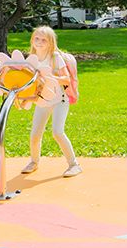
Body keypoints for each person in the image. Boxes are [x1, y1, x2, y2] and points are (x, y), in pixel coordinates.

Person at [20, 26, 82, 177]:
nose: (39, 42)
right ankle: (34, 162)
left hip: (59, 100)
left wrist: (49, 78)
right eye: (37, 39)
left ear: (50, 43)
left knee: (57, 132)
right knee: (35, 135)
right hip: (42, 101)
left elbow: (66, 78)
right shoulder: (31, 60)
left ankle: (74, 165)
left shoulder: (55, 57)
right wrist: (25, 98)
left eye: (44, 40)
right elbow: (32, 85)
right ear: (32, 40)